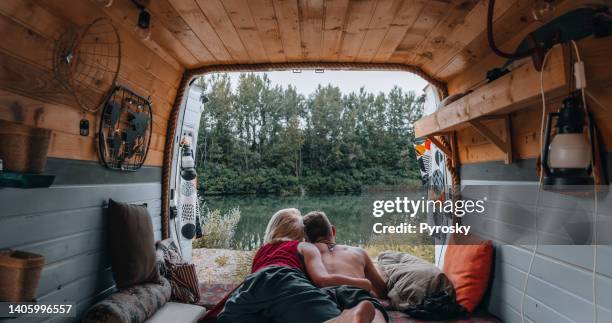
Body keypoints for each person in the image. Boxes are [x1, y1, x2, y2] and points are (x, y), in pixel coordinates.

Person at [204, 208, 384, 323]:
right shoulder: (305, 247)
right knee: (322, 315)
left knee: (228, 318)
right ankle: (344, 319)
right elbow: (320, 280)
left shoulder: (262, 250)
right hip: (287, 280)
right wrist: (364, 284)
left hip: (254, 284)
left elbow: (259, 278)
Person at [303, 211, 389, 323]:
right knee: (372, 310)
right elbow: (382, 291)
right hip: (355, 293)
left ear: (305, 240)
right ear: (333, 231)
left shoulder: (304, 252)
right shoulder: (358, 252)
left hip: (322, 296)